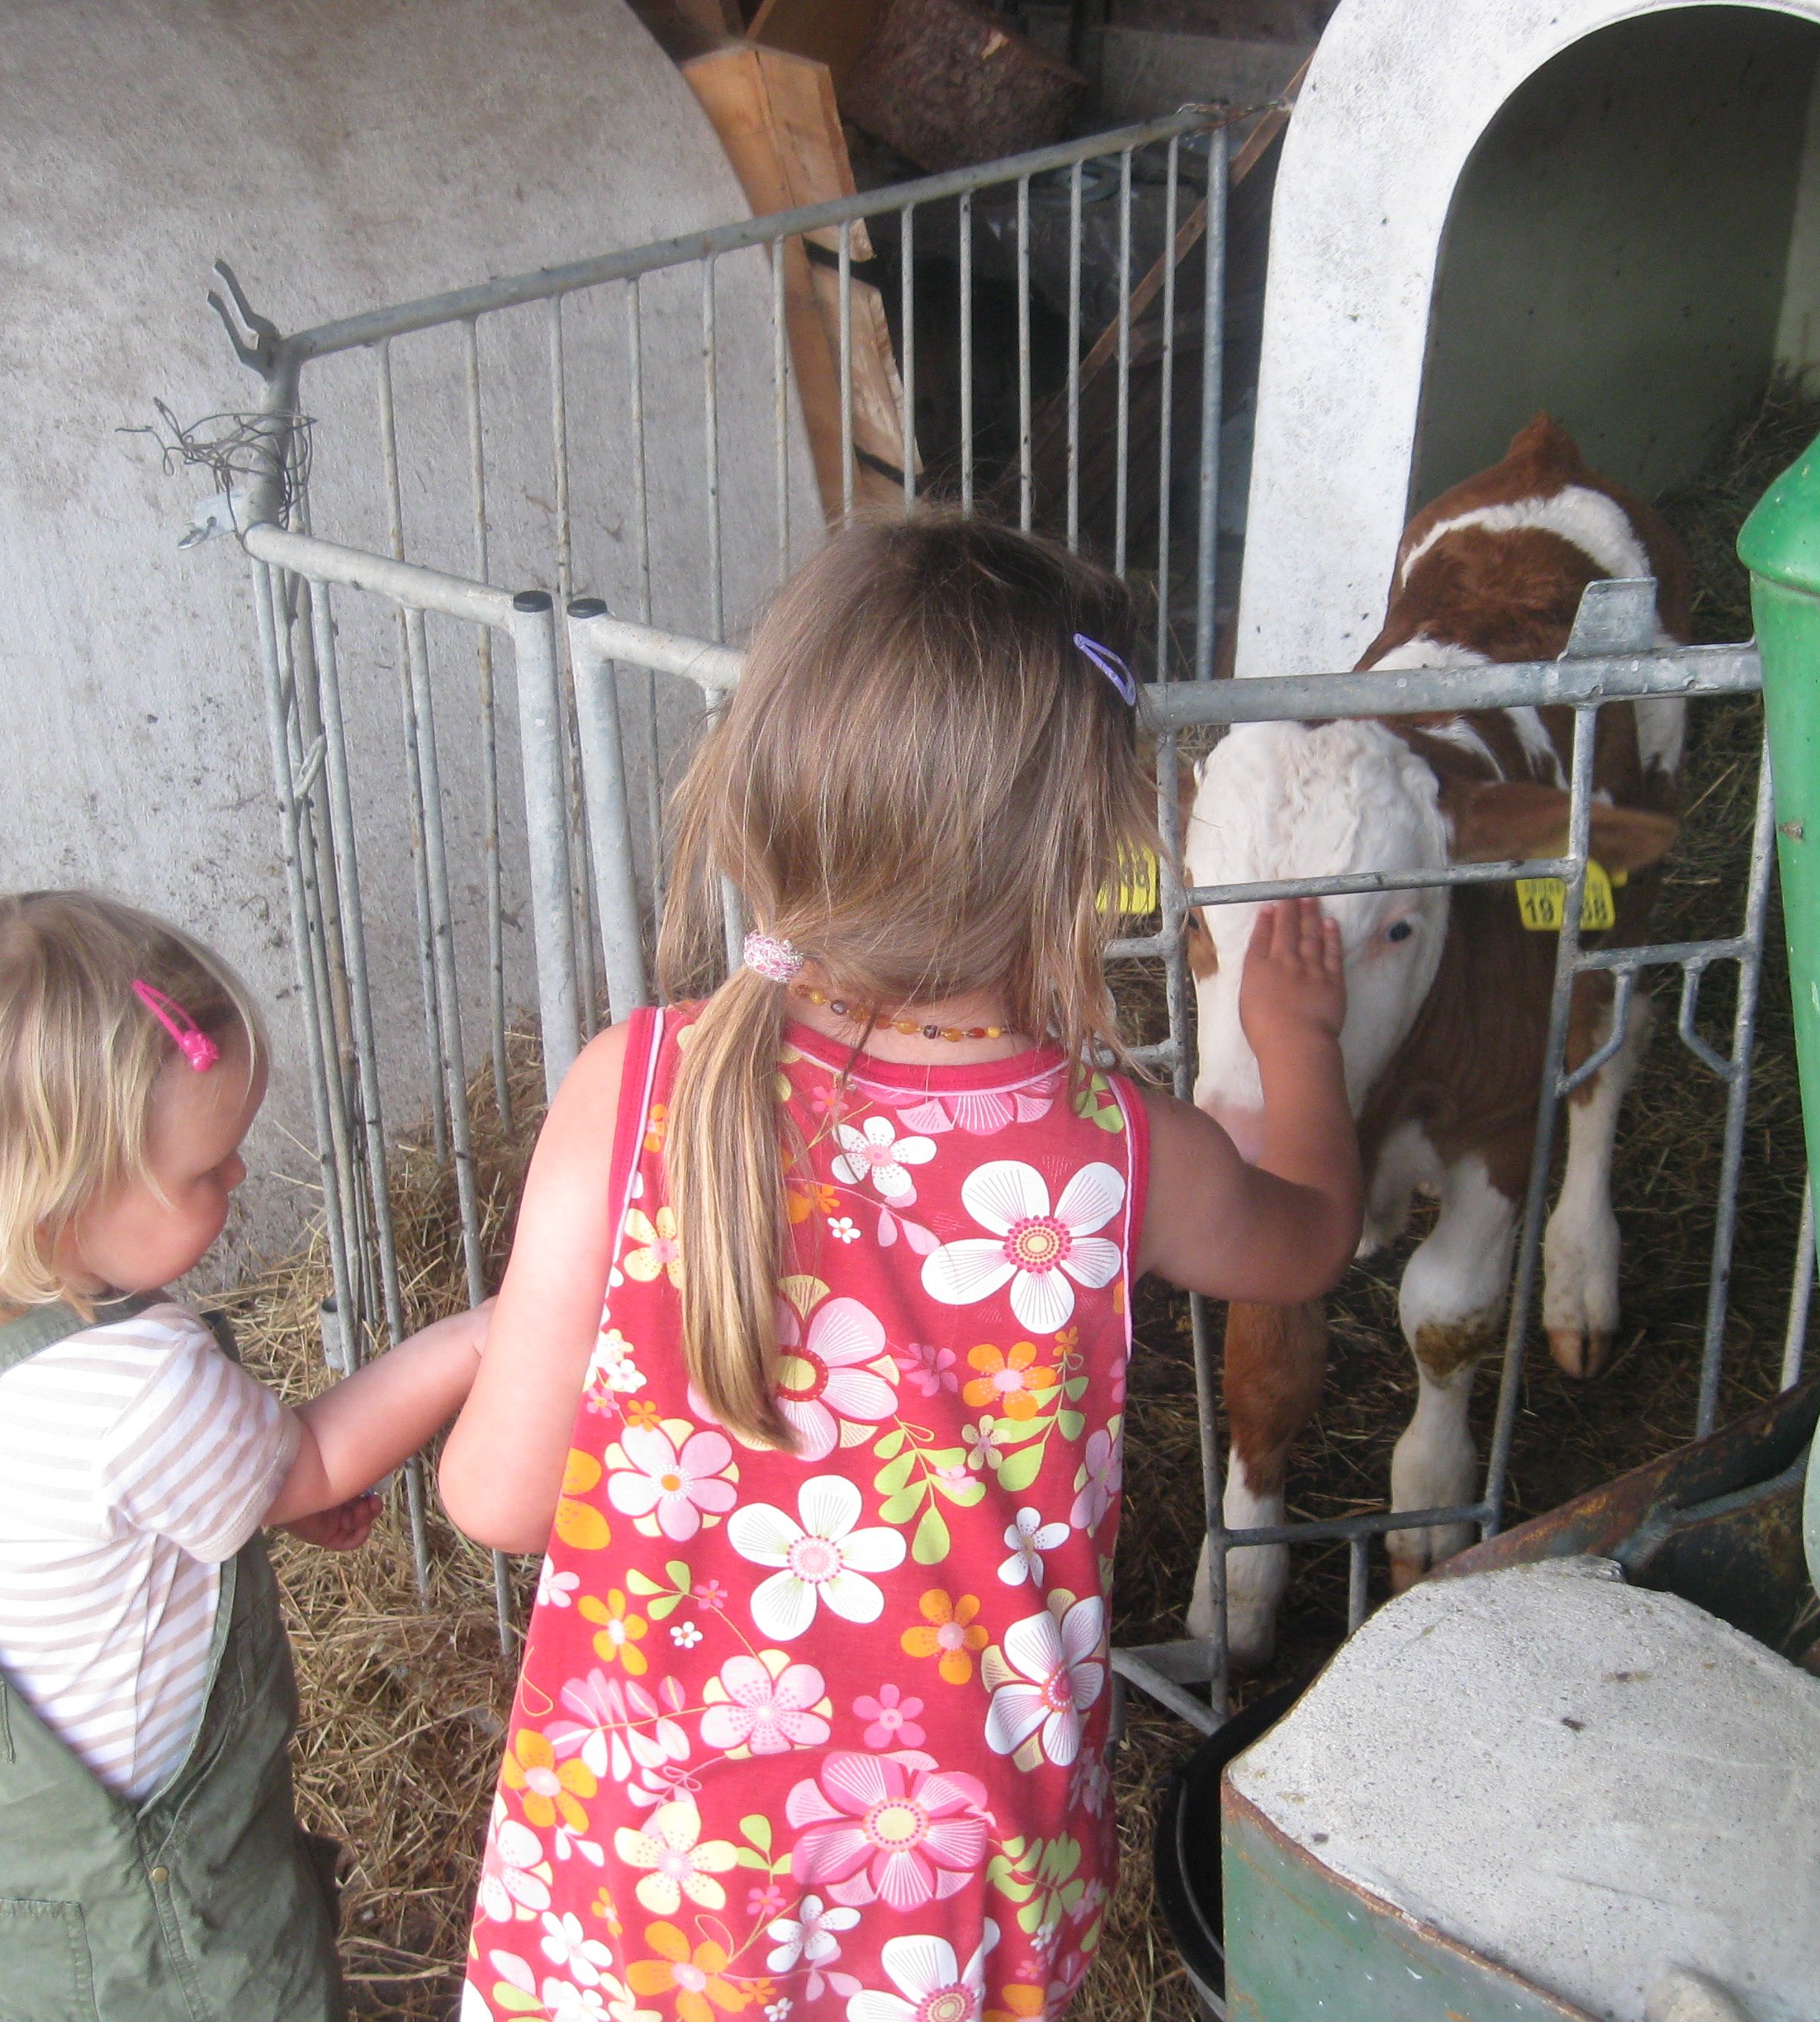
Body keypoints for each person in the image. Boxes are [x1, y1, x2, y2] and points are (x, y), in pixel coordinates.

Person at [440, 515, 1361, 2022]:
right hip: (947, 1889)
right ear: (1090, 860)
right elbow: (1309, 1234)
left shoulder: (643, 1084)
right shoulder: (1116, 1150)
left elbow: (497, 1499)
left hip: (648, 1881)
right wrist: (1299, 1051)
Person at [0, 890, 489, 2021]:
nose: (236, 1183)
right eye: (206, 1171)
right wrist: (487, 1334)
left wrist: (256, 1495)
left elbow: (107, 1497)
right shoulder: (139, 1384)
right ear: (55, 1202)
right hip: (144, 1929)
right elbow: (313, 1461)